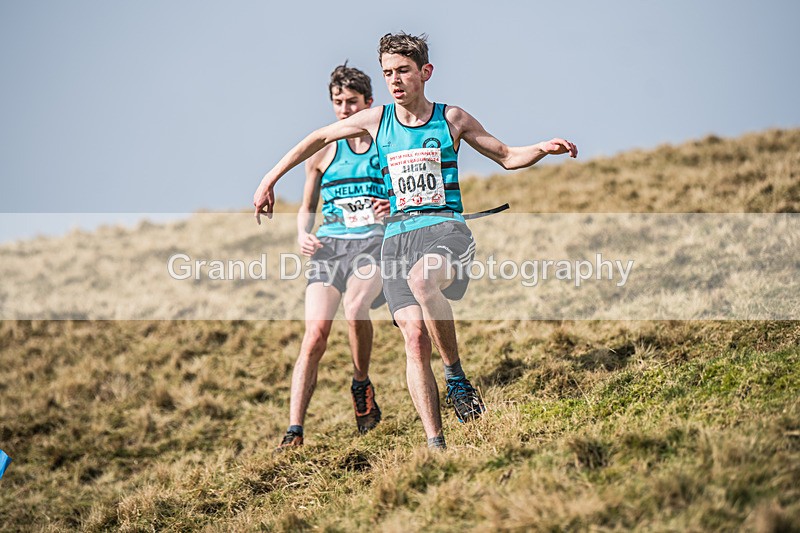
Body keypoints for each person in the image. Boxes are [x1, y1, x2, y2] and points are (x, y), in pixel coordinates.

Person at [255, 33, 577, 450]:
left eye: (403, 71)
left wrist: (541, 148)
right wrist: (269, 178)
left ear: (425, 72)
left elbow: (507, 156)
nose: (395, 80)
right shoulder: (377, 121)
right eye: (388, 73)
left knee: (424, 282)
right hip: (396, 242)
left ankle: (456, 378)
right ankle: (435, 443)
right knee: (413, 337)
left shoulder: (452, 119)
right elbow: (317, 139)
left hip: (446, 233)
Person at [276, 64, 390, 451]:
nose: (344, 110)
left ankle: (361, 384)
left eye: (352, 102)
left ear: (369, 103)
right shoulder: (323, 149)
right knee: (314, 336)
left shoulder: (385, 144)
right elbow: (307, 204)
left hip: (372, 245)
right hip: (328, 248)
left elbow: (404, 195)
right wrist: (301, 234)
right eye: (338, 102)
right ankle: (294, 430)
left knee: (357, 309)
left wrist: (389, 206)